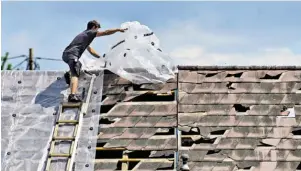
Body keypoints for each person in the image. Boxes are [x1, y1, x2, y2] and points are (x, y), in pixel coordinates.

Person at [62, 20, 127, 102]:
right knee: (75, 74)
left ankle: (68, 74)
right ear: (94, 27)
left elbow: (90, 50)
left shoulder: (84, 35)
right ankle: (72, 96)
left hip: (66, 55)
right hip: (72, 54)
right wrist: (117, 30)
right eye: (97, 28)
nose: (98, 31)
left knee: (79, 65)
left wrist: (100, 57)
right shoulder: (91, 32)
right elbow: (106, 32)